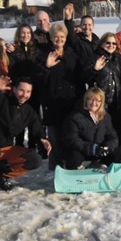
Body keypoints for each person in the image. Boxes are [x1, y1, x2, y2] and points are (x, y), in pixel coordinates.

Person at [0, 76, 51, 199]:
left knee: (34, 159)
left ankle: (1, 176)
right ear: (14, 89)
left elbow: (37, 128)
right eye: (21, 90)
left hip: (5, 149)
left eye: (28, 92)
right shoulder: (1, 100)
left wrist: (43, 139)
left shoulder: (28, 111)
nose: (24, 95)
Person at [82, 32, 121, 162]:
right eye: (108, 43)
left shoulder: (117, 58)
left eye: (113, 43)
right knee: (102, 133)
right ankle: (98, 158)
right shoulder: (94, 57)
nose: (111, 45)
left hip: (117, 102)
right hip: (101, 102)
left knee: (118, 134)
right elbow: (83, 77)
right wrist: (94, 69)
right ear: (101, 43)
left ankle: (113, 159)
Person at [38, 22, 79, 170]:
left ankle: (69, 164)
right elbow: (39, 80)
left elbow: (78, 78)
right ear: (50, 37)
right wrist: (46, 67)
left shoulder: (72, 55)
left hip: (70, 101)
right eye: (56, 37)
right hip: (52, 101)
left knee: (69, 134)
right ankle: (54, 166)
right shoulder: (43, 55)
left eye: (62, 37)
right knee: (54, 136)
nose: (59, 39)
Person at [62, 86, 120, 169]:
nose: (94, 103)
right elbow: (71, 139)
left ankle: (104, 166)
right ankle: (76, 172)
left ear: (101, 102)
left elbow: (112, 136)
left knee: (118, 152)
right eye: (91, 99)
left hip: (100, 150)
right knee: (74, 156)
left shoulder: (106, 117)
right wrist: (91, 148)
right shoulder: (75, 117)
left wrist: (107, 147)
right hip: (83, 150)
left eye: (97, 100)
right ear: (86, 100)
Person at [7, 24, 42, 147]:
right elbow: (11, 70)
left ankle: (33, 145)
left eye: (28, 33)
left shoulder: (36, 49)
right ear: (18, 34)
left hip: (34, 90)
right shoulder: (14, 50)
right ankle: (19, 145)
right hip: (20, 90)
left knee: (34, 118)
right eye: (22, 33)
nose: (25, 35)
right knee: (19, 119)